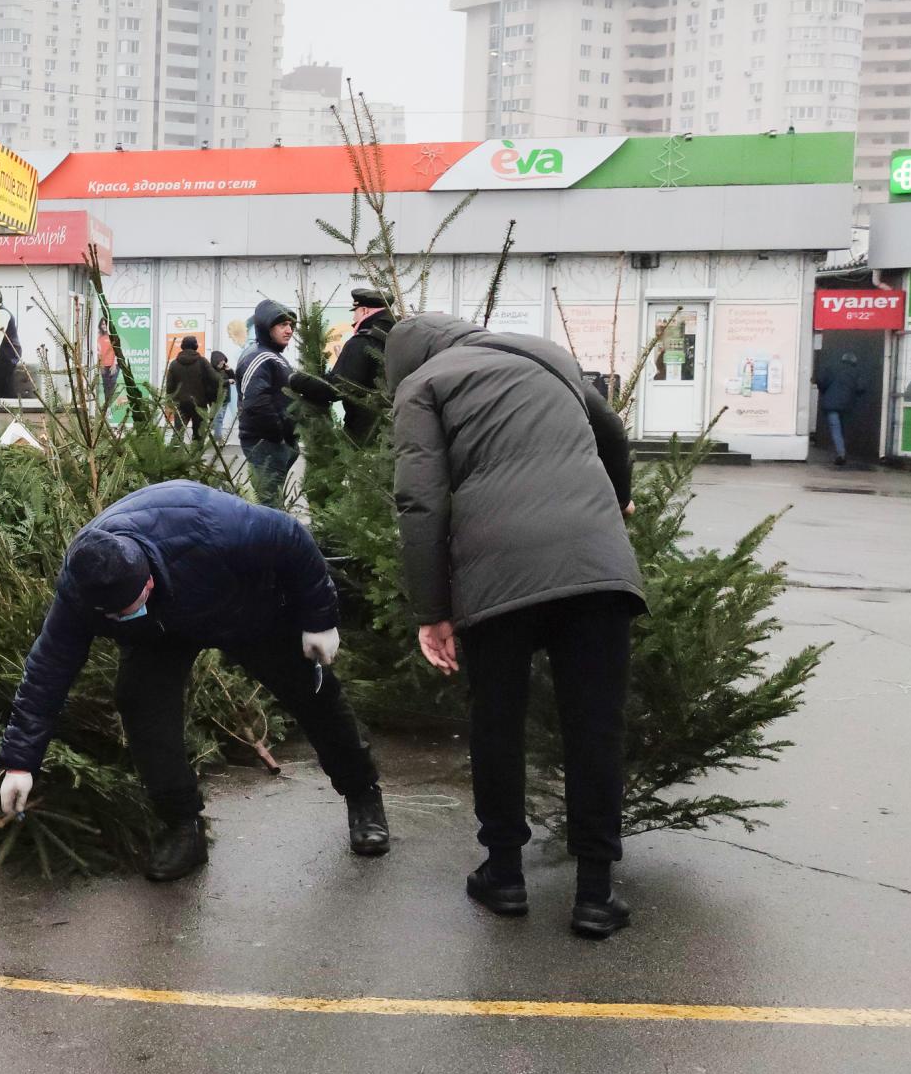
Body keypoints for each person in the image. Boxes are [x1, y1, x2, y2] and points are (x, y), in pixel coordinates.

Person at [387, 314, 646, 939]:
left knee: (496, 722)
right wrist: (617, 497)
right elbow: (608, 425)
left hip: (494, 576)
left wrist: (432, 610)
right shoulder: (545, 353)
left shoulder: (422, 386)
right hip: (596, 566)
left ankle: (503, 874)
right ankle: (594, 893)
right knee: (595, 728)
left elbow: (420, 500)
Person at [0, 481, 390, 881]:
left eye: (130, 607)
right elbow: (49, 667)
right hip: (159, 636)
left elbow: (291, 537)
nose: (120, 617)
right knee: (140, 703)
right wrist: (20, 763)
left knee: (312, 692)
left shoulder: (214, 525)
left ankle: (363, 796)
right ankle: (183, 826)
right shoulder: (81, 586)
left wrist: (320, 620)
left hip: (242, 606)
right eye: (113, 615)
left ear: (147, 580)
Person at [235, 300, 337, 497]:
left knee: (273, 501)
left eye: (291, 325)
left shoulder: (274, 357)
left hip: (277, 443)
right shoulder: (260, 358)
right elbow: (256, 404)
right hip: (265, 443)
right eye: (282, 325)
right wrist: (279, 435)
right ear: (266, 327)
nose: (289, 330)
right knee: (269, 503)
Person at [328, 287, 398, 444]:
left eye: (355, 311)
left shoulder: (361, 342)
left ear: (365, 311)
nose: (354, 317)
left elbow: (341, 385)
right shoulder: (400, 337)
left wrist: (304, 383)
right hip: (398, 429)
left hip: (364, 434)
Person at [162, 335, 216, 441]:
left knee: (178, 434)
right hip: (199, 403)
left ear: (182, 346)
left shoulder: (174, 364)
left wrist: (169, 402)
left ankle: (175, 456)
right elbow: (214, 379)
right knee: (199, 434)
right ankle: (196, 456)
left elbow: (169, 386)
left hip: (180, 404)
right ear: (196, 346)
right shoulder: (202, 362)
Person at [815, 350, 863, 467]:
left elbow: (821, 382)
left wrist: (824, 392)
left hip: (831, 404)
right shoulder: (856, 372)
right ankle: (843, 451)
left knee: (835, 428)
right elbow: (861, 388)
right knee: (844, 428)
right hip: (847, 405)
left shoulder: (832, 368)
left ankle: (841, 454)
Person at [96, 320, 119, 406]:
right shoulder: (99, 337)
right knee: (106, 386)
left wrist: (114, 364)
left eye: (105, 324)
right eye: (102, 324)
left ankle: (110, 404)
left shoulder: (113, 336)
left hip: (114, 365)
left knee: (112, 383)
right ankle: (107, 407)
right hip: (103, 365)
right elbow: (98, 352)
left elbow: (117, 350)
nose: (104, 326)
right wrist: (100, 364)